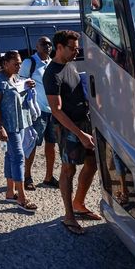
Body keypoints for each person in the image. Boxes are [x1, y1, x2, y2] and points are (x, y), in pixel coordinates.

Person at [46, 30, 101, 235]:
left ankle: (79, 203)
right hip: (68, 128)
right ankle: (68, 217)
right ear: (59, 47)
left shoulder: (69, 65)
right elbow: (56, 110)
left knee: (93, 163)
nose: (76, 52)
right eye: (73, 48)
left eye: (77, 48)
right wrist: (80, 134)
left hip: (83, 122)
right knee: (68, 170)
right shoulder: (52, 73)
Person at [0, 50, 38, 212]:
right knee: (18, 157)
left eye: (20, 63)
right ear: (5, 63)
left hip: (20, 122)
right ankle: (22, 197)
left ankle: (10, 192)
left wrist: (27, 87)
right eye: (16, 63)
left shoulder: (16, 78)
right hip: (8, 126)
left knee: (11, 156)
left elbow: (17, 98)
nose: (19, 66)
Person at [20, 36, 58, 190]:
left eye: (49, 44)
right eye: (44, 44)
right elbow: (20, 83)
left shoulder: (51, 62)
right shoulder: (30, 62)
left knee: (51, 144)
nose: (47, 46)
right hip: (37, 111)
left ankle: (49, 177)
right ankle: (27, 177)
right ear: (37, 46)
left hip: (53, 110)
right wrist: (27, 84)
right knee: (32, 144)